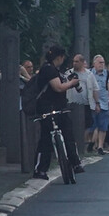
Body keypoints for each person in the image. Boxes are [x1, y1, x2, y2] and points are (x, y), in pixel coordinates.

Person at [33, 45, 85, 179]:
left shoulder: (56, 70)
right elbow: (58, 88)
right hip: (49, 108)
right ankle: (41, 169)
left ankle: (74, 162)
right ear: (60, 57)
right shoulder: (49, 70)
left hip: (59, 107)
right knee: (47, 139)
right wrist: (72, 83)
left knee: (67, 135)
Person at [65, 54, 97, 152]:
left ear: (83, 62)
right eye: (74, 61)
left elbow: (95, 89)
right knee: (72, 124)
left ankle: (83, 143)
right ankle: (75, 145)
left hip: (86, 103)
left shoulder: (89, 74)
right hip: (72, 103)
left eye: (77, 61)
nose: (75, 63)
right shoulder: (68, 73)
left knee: (87, 124)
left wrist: (97, 103)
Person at [90, 54, 109, 155]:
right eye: (100, 62)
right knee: (91, 125)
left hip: (104, 103)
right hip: (92, 103)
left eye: (103, 63)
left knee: (103, 126)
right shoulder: (89, 74)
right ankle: (90, 144)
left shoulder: (108, 74)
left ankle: (100, 146)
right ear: (94, 64)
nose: (102, 65)